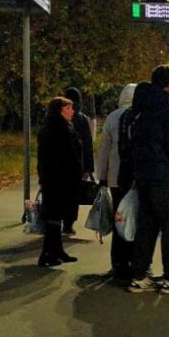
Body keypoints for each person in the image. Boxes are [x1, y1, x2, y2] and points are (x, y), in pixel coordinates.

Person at [127, 65, 169, 295]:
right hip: (165, 177)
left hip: (144, 177)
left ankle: (139, 275)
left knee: (146, 227)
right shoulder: (168, 110)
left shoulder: (141, 110)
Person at [94, 83, 137, 281]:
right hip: (135, 179)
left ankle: (118, 262)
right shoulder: (140, 114)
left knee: (119, 218)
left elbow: (104, 151)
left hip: (115, 179)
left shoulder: (112, 117)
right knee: (134, 217)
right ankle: (135, 261)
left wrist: (101, 176)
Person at [36, 96, 83, 267]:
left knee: (55, 217)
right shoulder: (57, 129)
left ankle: (56, 250)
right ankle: (48, 253)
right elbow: (62, 155)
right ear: (59, 111)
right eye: (68, 109)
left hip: (57, 179)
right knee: (54, 216)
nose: (72, 112)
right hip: (58, 179)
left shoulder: (57, 127)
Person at [62, 87, 94, 234]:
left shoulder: (60, 115)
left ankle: (59, 220)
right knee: (74, 195)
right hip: (78, 164)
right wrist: (89, 167)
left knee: (61, 194)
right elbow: (88, 143)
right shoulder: (82, 118)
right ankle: (69, 223)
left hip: (61, 163)